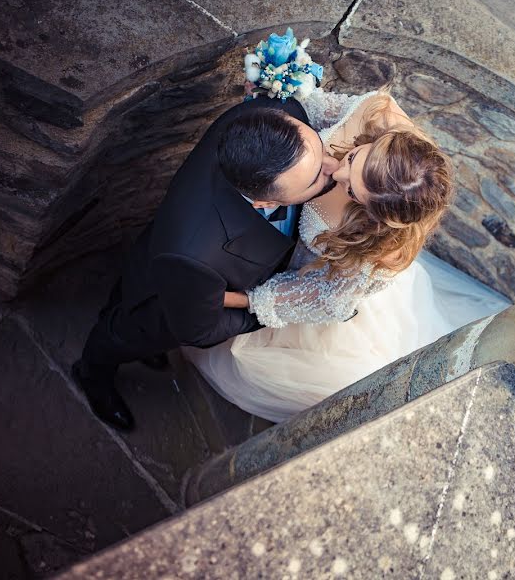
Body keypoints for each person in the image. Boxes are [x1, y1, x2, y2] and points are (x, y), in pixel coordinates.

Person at [182, 89, 511, 422]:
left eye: (352, 192)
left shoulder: (376, 251)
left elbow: (325, 296)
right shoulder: (381, 117)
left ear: (374, 215)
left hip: (318, 278)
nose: (335, 172)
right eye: (355, 158)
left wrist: (239, 299)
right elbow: (318, 108)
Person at [73, 95, 340, 431]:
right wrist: (274, 307)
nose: (332, 166)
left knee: (132, 285)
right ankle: (91, 373)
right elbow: (199, 330)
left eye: (321, 151)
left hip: (170, 244)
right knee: (125, 331)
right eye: (316, 178)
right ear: (263, 202)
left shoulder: (277, 118)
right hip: (174, 295)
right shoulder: (197, 255)